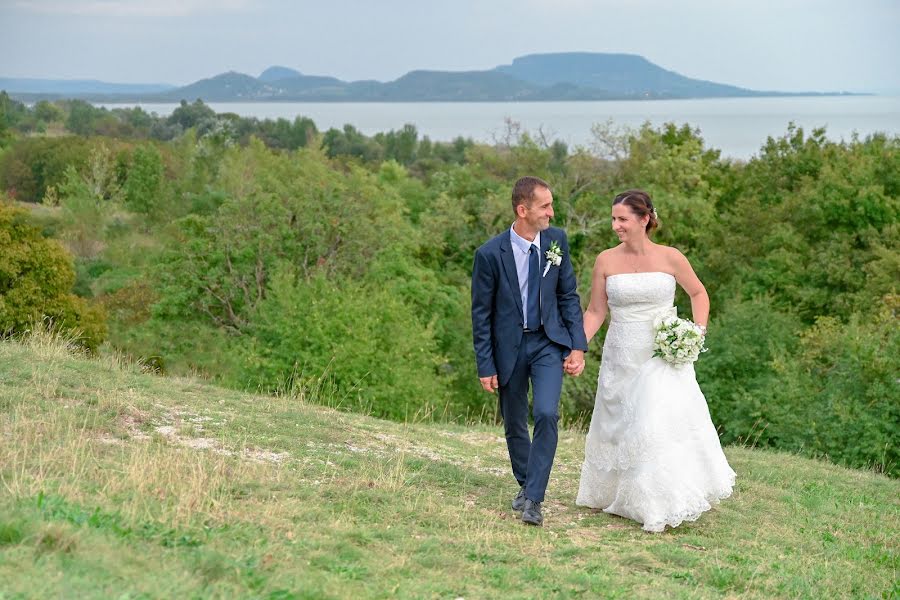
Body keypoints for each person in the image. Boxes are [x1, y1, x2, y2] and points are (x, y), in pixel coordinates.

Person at [575, 189, 735, 532]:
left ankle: (658, 501)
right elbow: (595, 310)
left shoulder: (671, 257)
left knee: (656, 424)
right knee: (621, 424)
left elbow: (698, 293)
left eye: (622, 219)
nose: (615, 225)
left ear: (644, 219)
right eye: (613, 218)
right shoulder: (605, 260)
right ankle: (620, 495)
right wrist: (577, 347)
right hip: (620, 354)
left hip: (662, 355)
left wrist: (694, 334)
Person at [471, 176, 588, 526]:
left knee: (547, 414)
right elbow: (481, 314)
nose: (552, 212)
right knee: (515, 421)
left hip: (547, 342)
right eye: (545, 206)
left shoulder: (557, 241)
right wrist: (485, 364)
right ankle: (526, 484)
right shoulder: (489, 254)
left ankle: (534, 499)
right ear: (523, 210)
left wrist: (577, 346)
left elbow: (568, 295)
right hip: (508, 348)